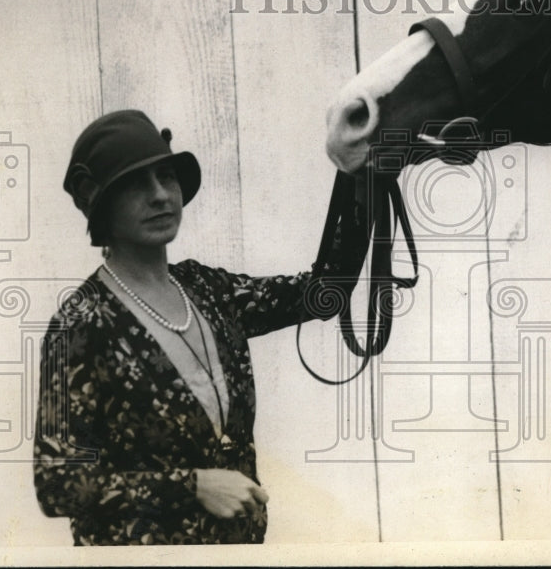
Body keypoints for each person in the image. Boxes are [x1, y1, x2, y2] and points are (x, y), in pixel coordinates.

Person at [33, 109, 366, 545]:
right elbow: (57, 484)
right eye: (136, 184)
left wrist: (366, 184)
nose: (160, 196)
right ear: (100, 202)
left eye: (166, 177)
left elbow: (323, 294)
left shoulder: (207, 289)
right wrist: (193, 486)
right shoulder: (80, 325)